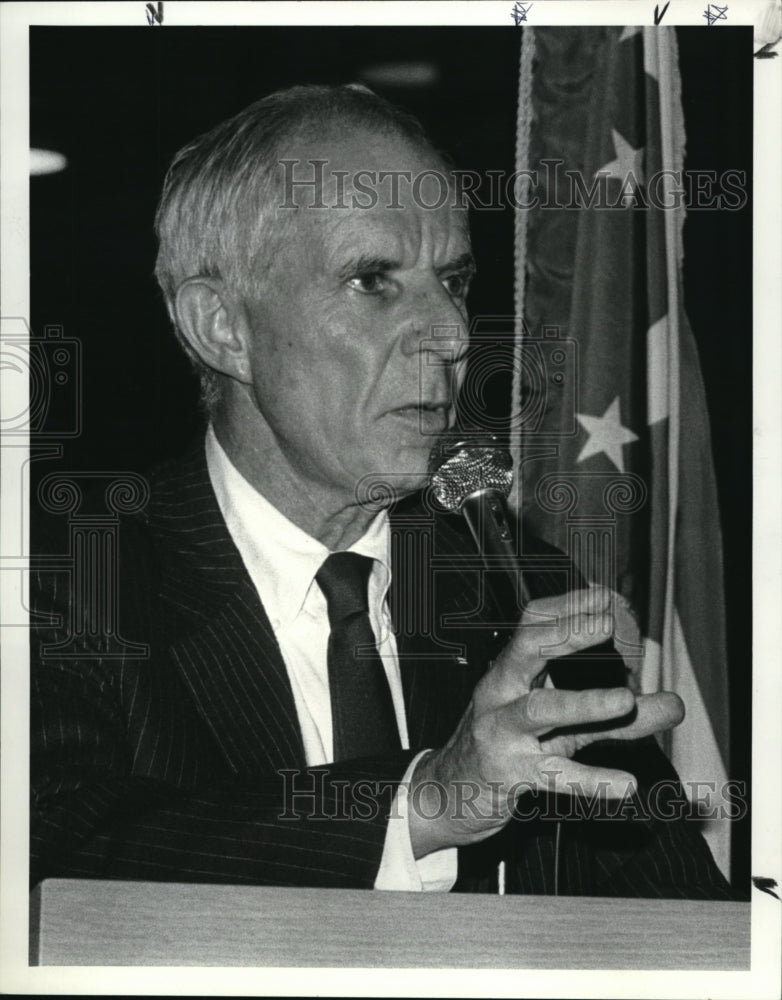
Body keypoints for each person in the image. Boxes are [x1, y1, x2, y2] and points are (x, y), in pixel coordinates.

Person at [30, 84, 731, 898]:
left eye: (454, 281)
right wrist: (425, 803)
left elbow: (682, 924)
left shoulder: (521, 589)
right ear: (223, 326)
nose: (453, 334)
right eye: (373, 280)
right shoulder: (66, 579)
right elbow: (48, 857)